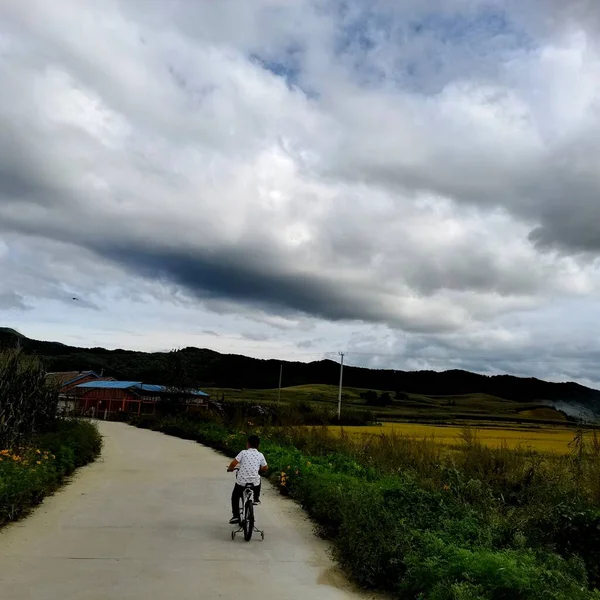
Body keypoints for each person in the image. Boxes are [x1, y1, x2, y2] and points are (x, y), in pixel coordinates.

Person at [227, 434, 268, 524]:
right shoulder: (260, 455)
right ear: (258, 445)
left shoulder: (243, 452)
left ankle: (236, 516)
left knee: (235, 496)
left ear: (248, 444)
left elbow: (233, 463)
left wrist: (230, 469)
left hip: (242, 481)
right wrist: (258, 470)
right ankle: (256, 498)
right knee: (258, 478)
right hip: (254, 482)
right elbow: (265, 467)